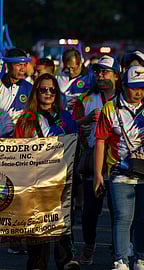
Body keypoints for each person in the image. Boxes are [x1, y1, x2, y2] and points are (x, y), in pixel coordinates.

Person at [95, 65, 144, 270]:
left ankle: (140, 258)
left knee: (143, 217)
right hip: (119, 170)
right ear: (124, 86)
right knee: (123, 217)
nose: (139, 92)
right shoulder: (110, 108)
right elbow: (101, 141)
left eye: (143, 88)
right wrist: (99, 174)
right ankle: (120, 260)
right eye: (134, 87)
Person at [15, 73, 79, 270]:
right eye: (44, 89)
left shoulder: (65, 116)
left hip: (61, 179)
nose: (48, 93)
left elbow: (75, 144)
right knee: (37, 225)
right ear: (36, 92)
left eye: (52, 90)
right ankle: (37, 264)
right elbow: (19, 149)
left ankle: (66, 261)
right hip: (35, 180)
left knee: (62, 222)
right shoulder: (26, 118)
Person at [72, 55, 120, 265]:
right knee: (90, 212)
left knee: (120, 213)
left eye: (105, 71)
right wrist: (84, 121)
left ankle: (117, 251)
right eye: (98, 71)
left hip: (120, 162)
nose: (101, 75)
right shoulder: (85, 99)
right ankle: (89, 246)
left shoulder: (126, 98)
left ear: (116, 75)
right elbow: (71, 127)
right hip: (93, 161)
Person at [0, 48, 33, 138]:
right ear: (8, 65)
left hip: (19, 142)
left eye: (25, 65)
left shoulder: (30, 88)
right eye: (18, 65)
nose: (22, 69)